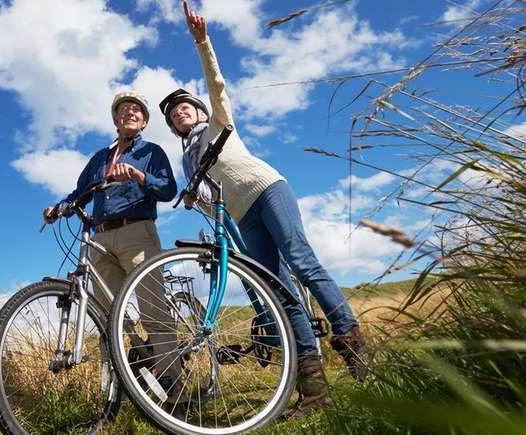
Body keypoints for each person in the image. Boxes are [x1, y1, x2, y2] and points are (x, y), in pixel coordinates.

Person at [158, 0, 369, 417]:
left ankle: (353, 341)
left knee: (300, 261)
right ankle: (314, 390)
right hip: (243, 216)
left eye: (185, 106)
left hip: (266, 189)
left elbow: (216, 84)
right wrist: (191, 196)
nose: (180, 112)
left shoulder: (218, 121)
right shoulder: (187, 161)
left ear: (198, 111)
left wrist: (203, 43)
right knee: (280, 291)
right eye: (172, 113)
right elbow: (207, 199)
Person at [43, 90, 186, 402]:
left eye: (136, 110)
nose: (130, 113)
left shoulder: (152, 152)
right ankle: (117, 388)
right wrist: (58, 209)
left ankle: (174, 387)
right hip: (100, 236)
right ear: (115, 119)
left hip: (137, 231)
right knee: (108, 315)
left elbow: (168, 189)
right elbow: (79, 193)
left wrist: (139, 175)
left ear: (145, 121)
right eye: (123, 110)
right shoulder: (99, 158)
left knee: (152, 307)